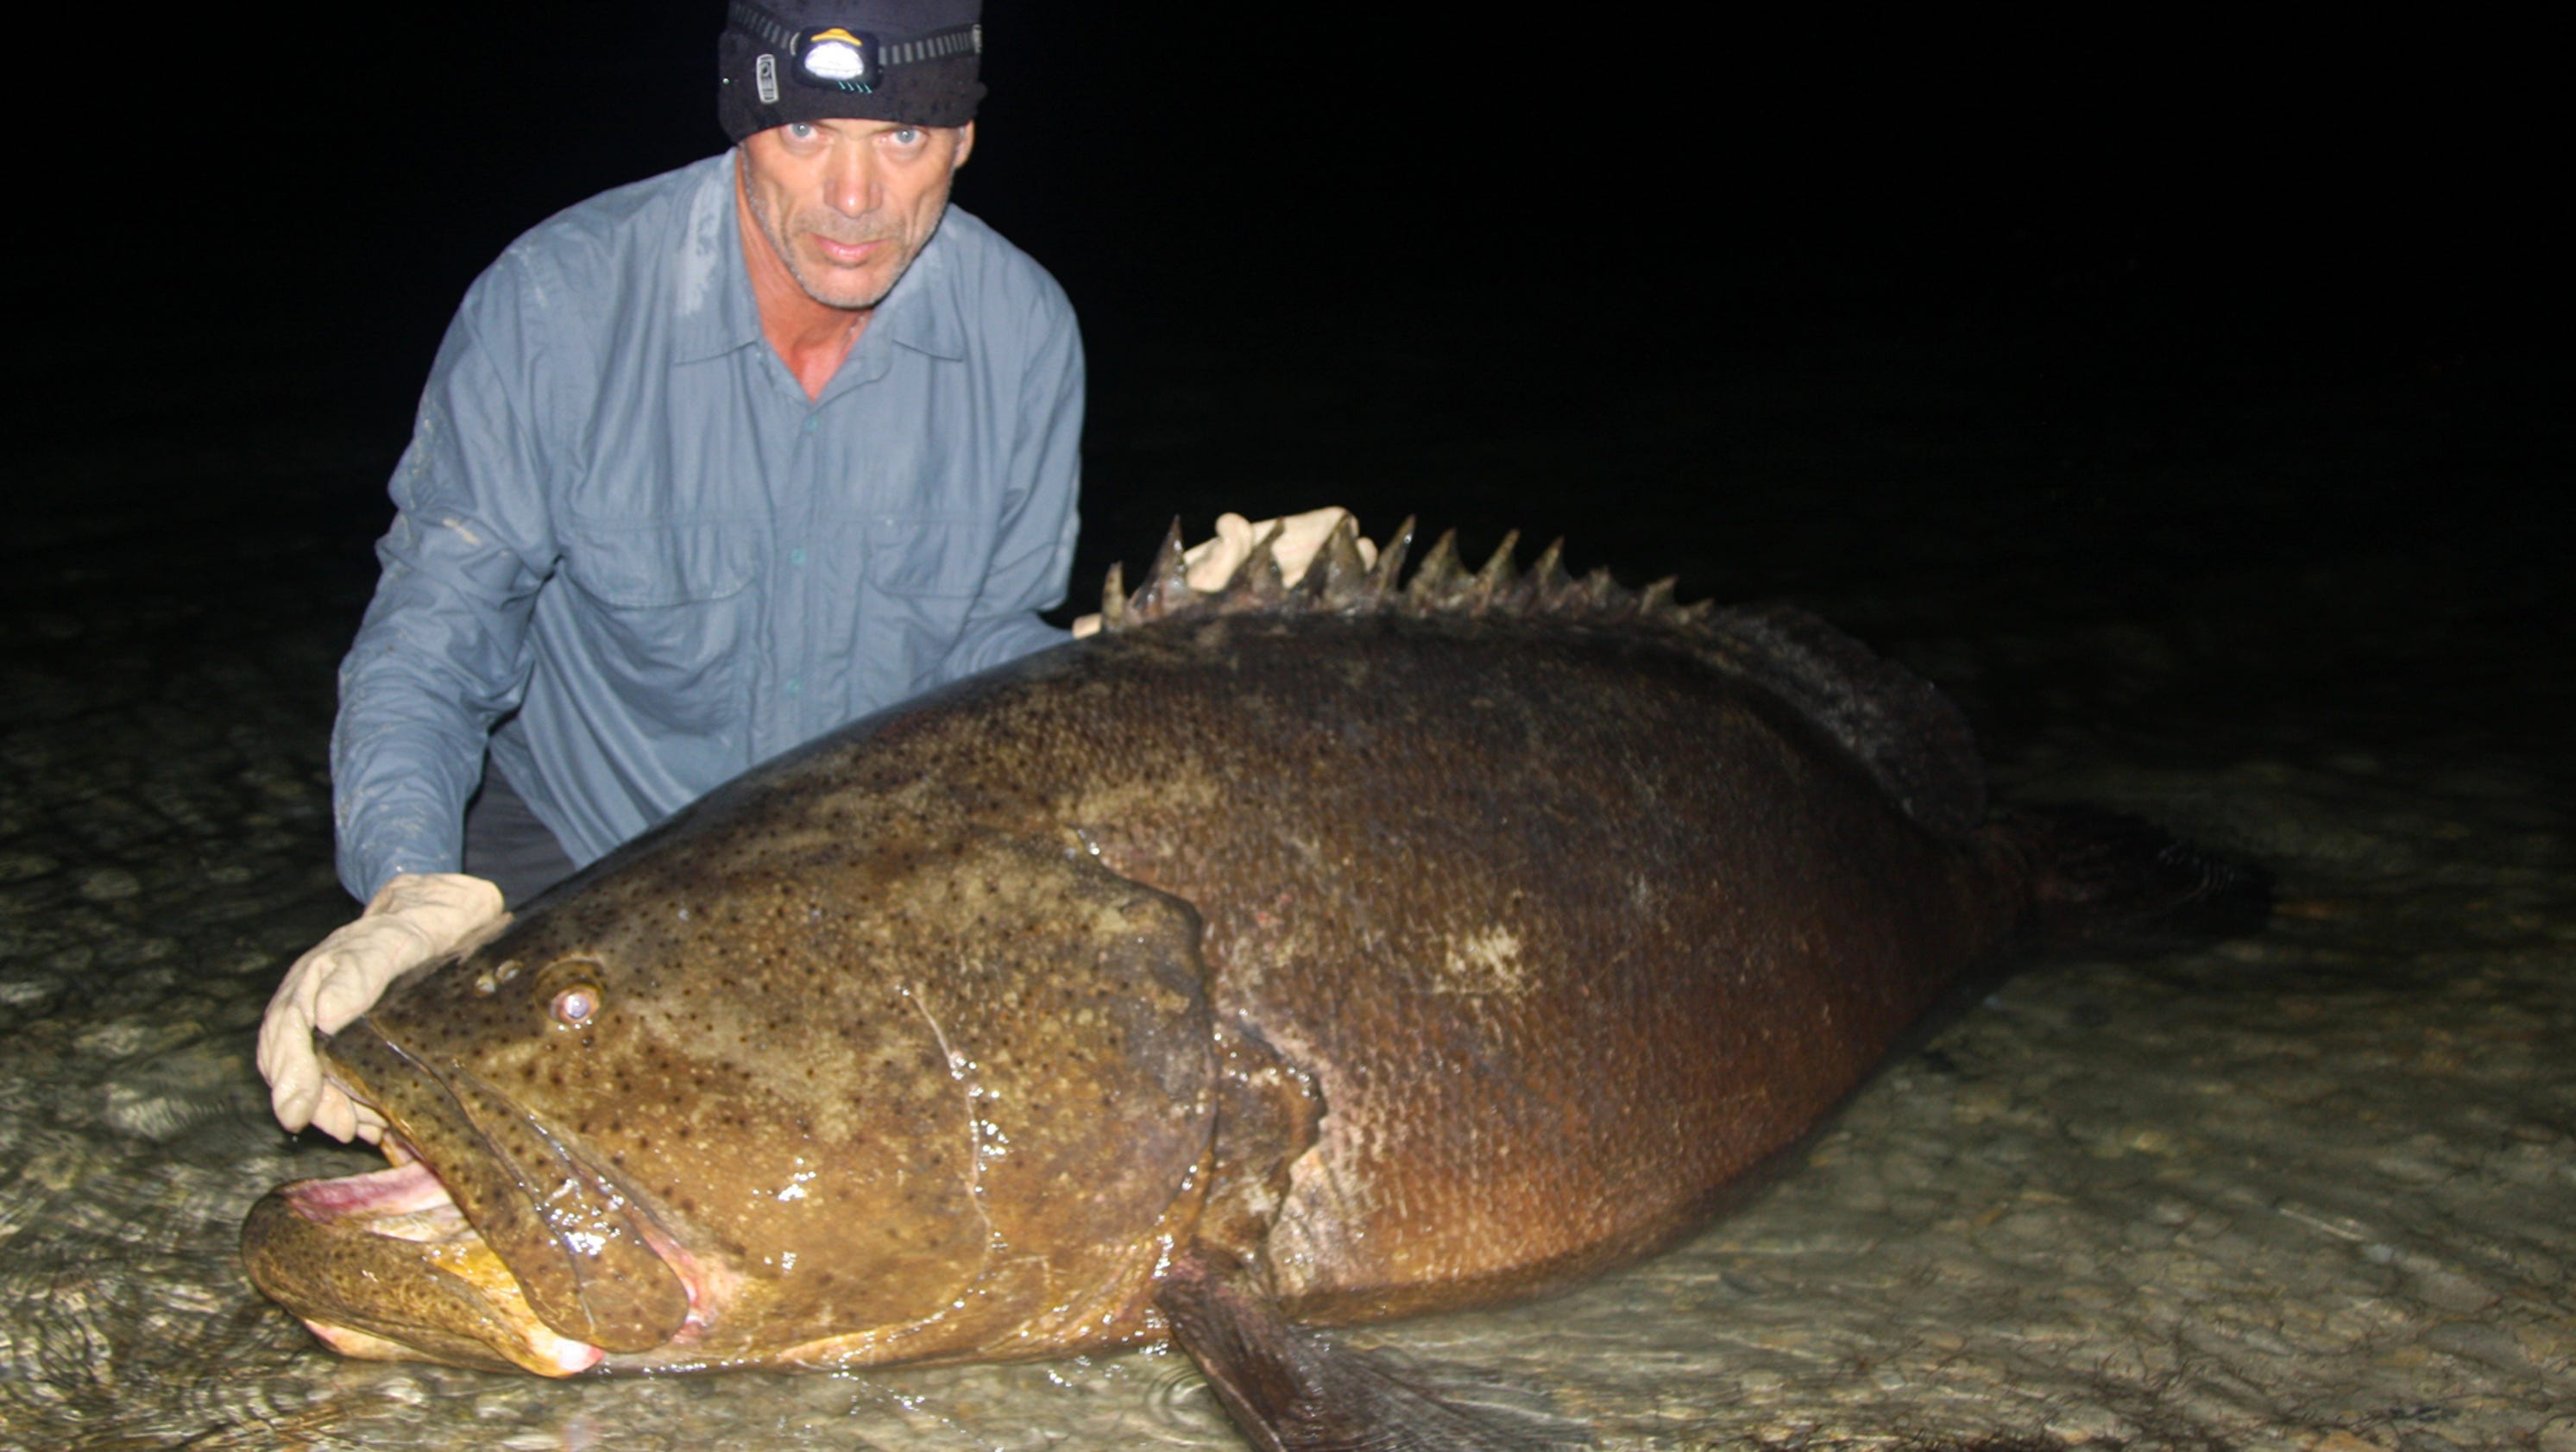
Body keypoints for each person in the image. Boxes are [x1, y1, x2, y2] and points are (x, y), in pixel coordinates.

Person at [258, 0, 1356, 1143]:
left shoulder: (1021, 332)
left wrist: (1165, 657)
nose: (853, 197)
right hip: (579, 850)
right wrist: (404, 887)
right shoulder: (557, 305)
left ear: (964, 140)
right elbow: (438, 627)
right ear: (739, 123)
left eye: (903, 139)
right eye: (807, 135)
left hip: (853, 862)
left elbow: (981, 646)